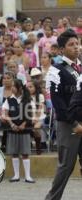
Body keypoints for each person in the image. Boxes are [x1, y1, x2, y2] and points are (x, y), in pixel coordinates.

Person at [45, 29, 82, 200]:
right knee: (66, 166)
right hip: (69, 125)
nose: (76, 47)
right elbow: (58, 102)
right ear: (61, 50)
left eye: (77, 43)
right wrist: (74, 123)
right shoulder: (56, 70)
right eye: (71, 45)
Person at [2, 79, 35, 183]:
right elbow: (5, 114)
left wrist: (23, 124)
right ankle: (16, 175)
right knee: (14, 153)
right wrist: (12, 124)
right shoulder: (8, 100)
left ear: (20, 88)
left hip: (24, 130)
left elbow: (31, 114)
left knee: (25, 153)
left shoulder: (28, 99)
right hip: (12, 130)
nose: (11, 88)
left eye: (13, 86)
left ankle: (27, 176)